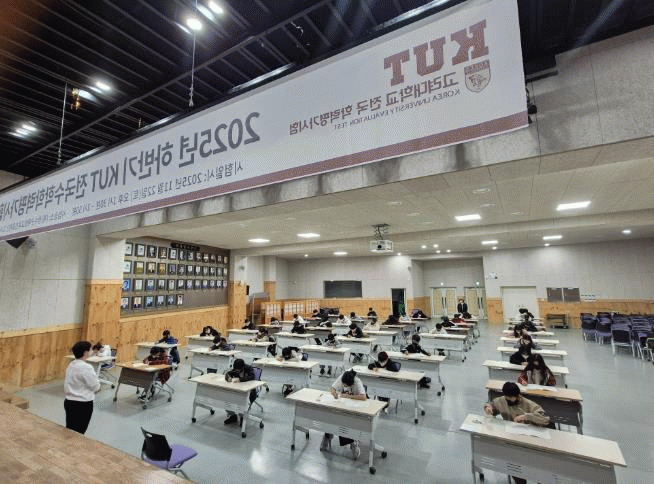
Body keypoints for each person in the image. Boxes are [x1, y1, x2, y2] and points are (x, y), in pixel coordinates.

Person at [483, 382, 551, 484]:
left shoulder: (528, 404)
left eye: (514, 397)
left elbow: (545, 419)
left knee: (536, 465)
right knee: (513, 462)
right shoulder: (501, 401)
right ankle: (520, 481)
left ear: (518, 395)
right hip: (512, 439)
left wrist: (526, 416)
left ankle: (539, 479)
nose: (512, 400)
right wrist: (488, 408)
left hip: (530, 440)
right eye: (508, 398)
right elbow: (490, 405)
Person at [320, 370, 366, 458]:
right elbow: (333, 388)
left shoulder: (357, 381)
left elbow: (363, 397)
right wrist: (334, 394)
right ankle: (327, 436)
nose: (345, 386)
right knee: (330, 416)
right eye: (344, 385)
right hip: (341, 404)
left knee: (344, 421)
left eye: (347, 386)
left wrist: (349, 396)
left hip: (354, 407)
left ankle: (352, 443)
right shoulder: (342, 378)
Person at [64, 341, 101, 434]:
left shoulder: (71, 365)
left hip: (69, 402)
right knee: (79, 432)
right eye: (90, 350)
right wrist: (98, 388)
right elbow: (96, 386)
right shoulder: (86, 367)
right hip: (82, 405)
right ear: (85, 353)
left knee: (70, 430)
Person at [224, 358, 257, 425]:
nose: (237, 371)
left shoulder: (248, 368)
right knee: (226, 400)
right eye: (236, 369)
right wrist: (228, 377)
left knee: (242, 403)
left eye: (238, 369)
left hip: (249, 392)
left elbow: (252, 377)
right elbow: (229, 373)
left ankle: (242, 417)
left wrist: (240, 379)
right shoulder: (236, 369)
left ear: (242, 366)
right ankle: (233, 416)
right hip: (238, 390)